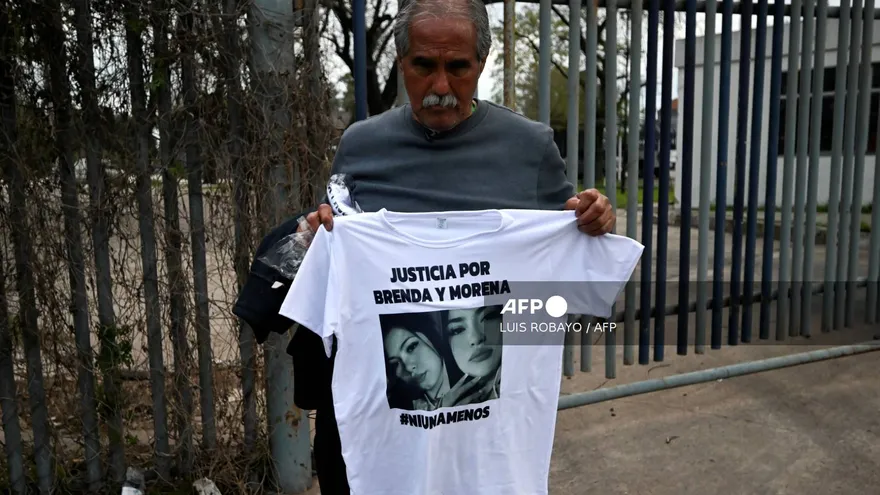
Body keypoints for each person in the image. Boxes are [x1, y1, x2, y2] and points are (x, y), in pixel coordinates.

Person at [291, 0, 618, 492]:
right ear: (401, 62)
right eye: (424, 66)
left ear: (481, 64)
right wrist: (317, 236)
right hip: (383, 423)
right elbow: (332, 238)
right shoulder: (361, 145)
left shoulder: (529, 150)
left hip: (485, 440)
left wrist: (595, 223)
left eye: (457, 67)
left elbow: (567, 273)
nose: (440, 87)